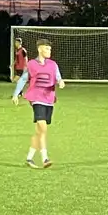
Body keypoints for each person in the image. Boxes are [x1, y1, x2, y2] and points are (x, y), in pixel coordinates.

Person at [14, 39, 64, 167]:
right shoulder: (31, 64)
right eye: (47, 49)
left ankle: (29, 158)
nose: (49, 51)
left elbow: (58, 77)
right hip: (36, 99)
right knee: (43, 127)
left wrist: (60, 82)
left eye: (50, 49)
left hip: (49, 100)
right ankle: (45, 158)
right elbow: (23, 79)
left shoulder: (53, 64)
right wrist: (16, 94)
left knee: (39, 131)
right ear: (39, 49)